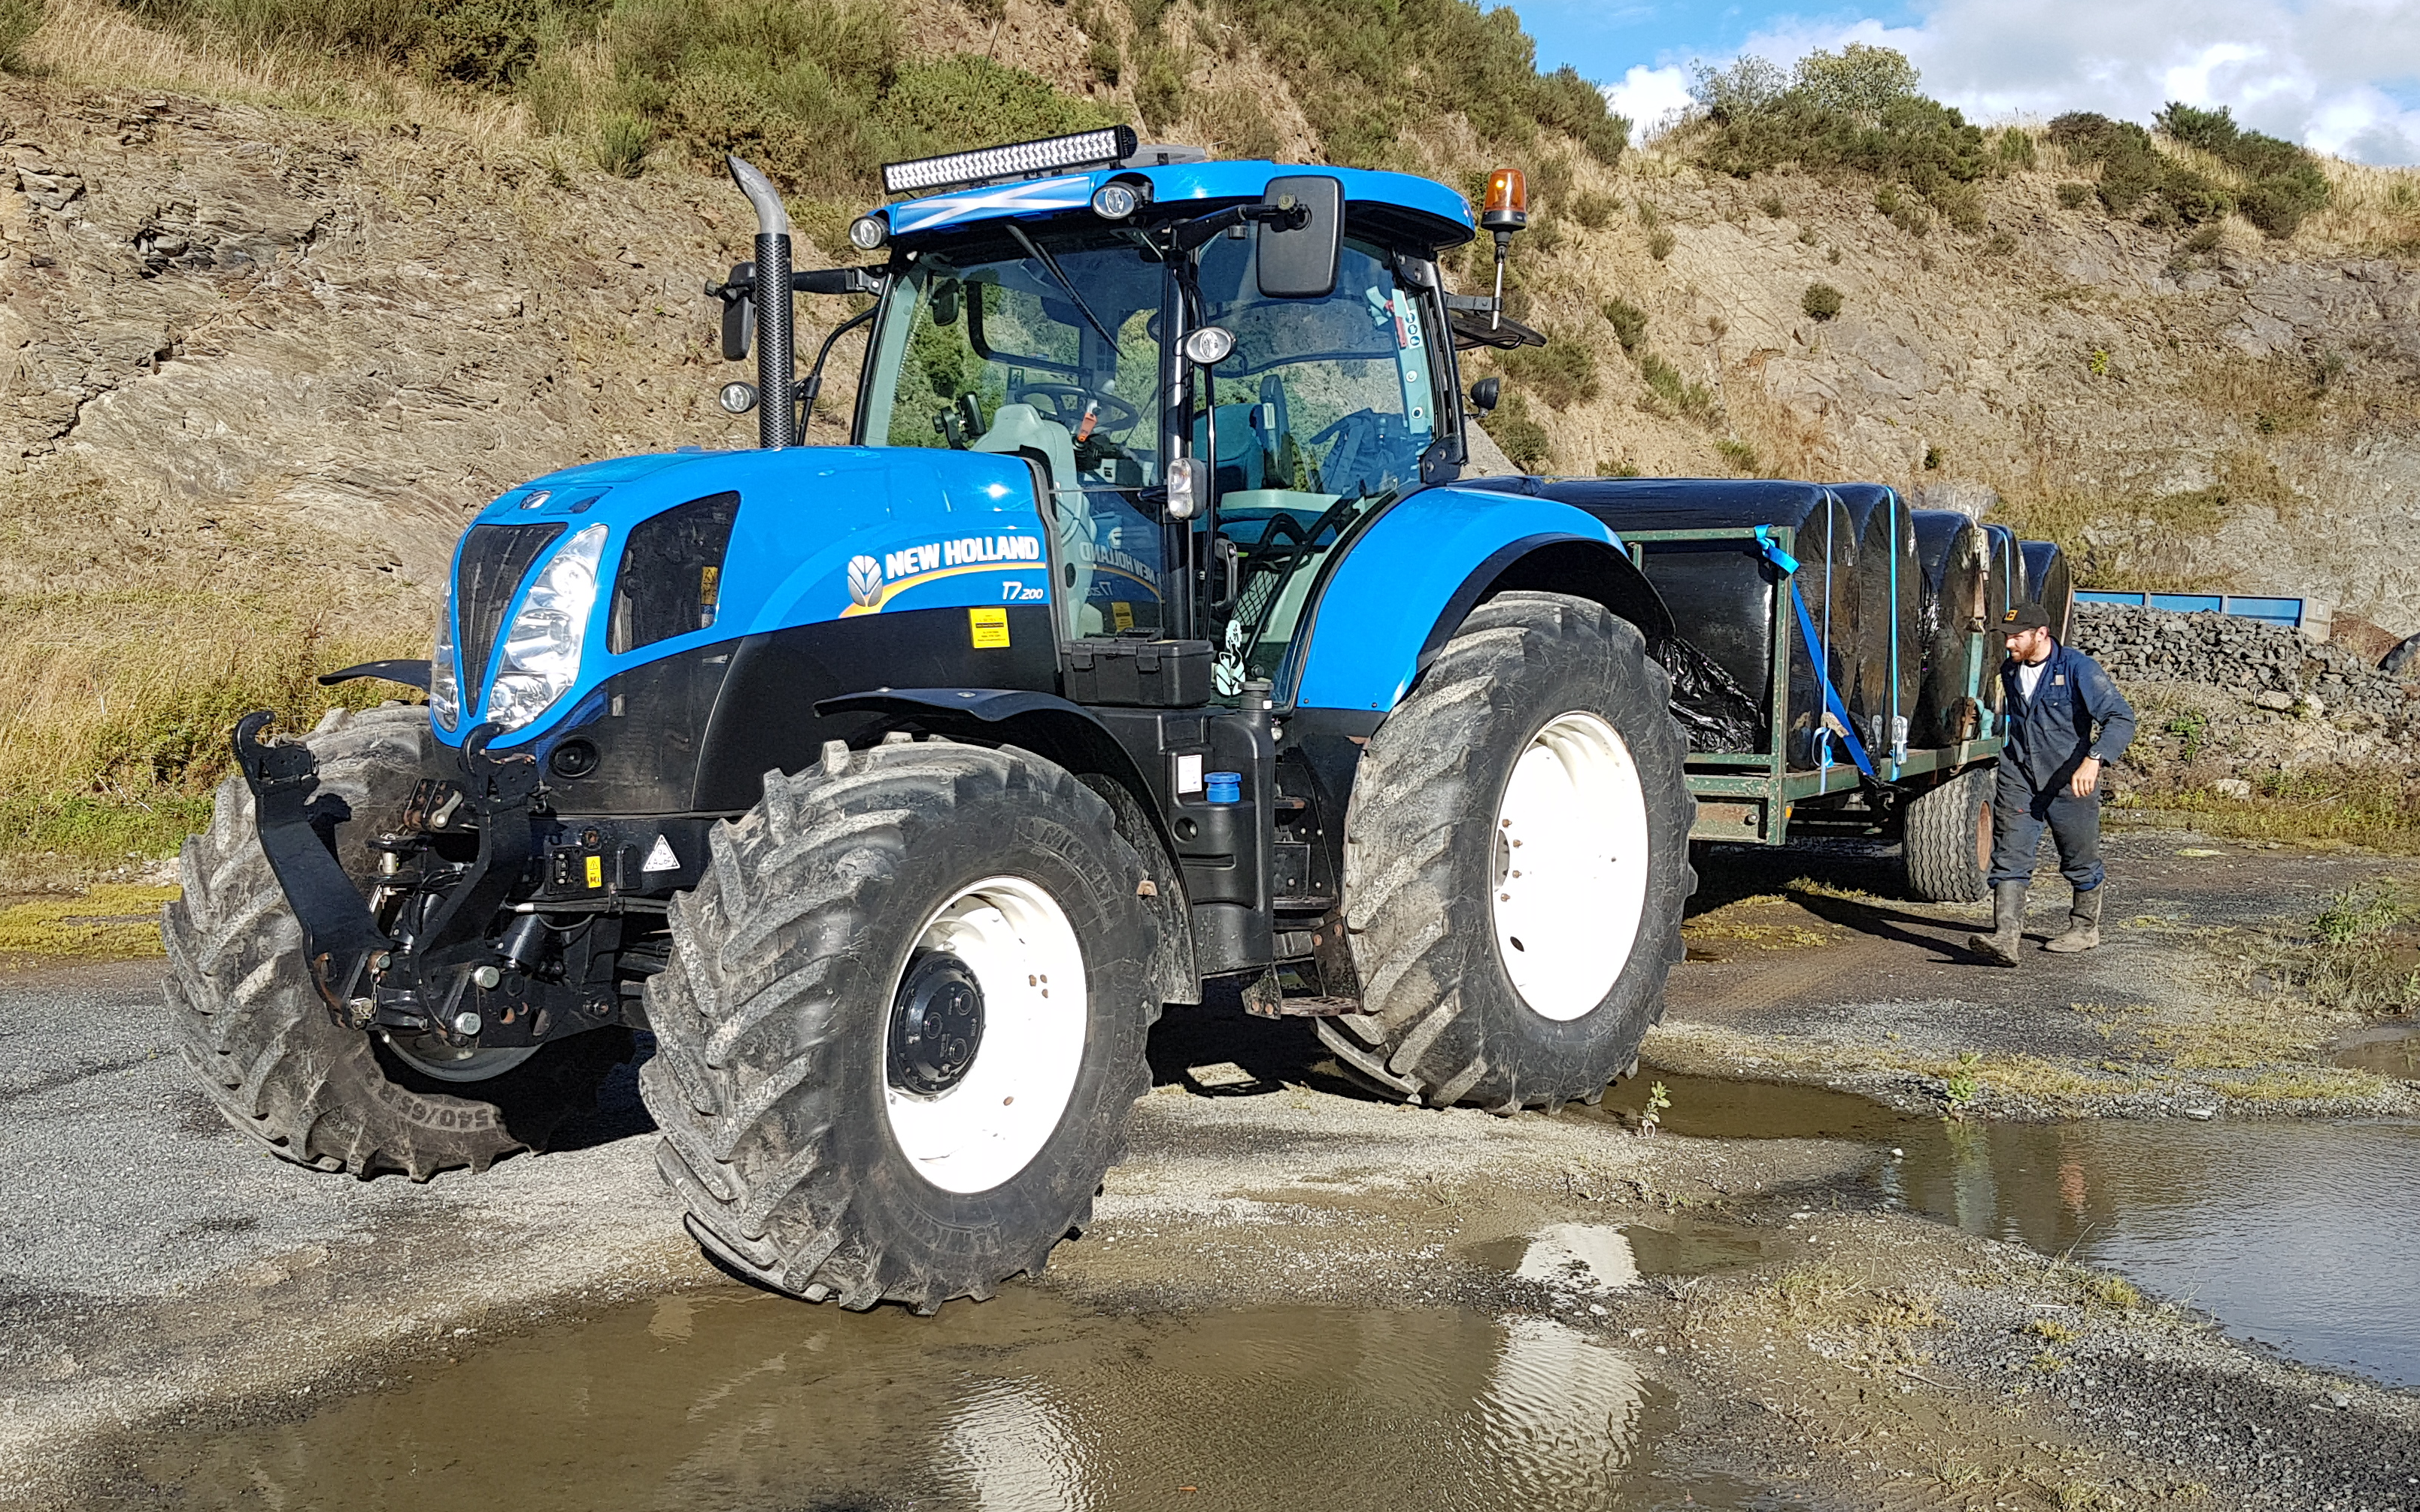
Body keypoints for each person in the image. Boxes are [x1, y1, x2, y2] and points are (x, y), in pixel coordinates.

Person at [1968, 602, 2136, 965]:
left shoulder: (2079, 669)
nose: (2009, 644)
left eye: (2016, 637)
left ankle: (2085, 927)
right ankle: (2006, 938)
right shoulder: (2010, 670)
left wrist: (2094, 760)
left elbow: (2121, 718)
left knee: (2080, 858)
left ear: (2041, 635)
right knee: (2010, 854)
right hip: (2020, 777)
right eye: (2007, 637)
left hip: (2070, 779)